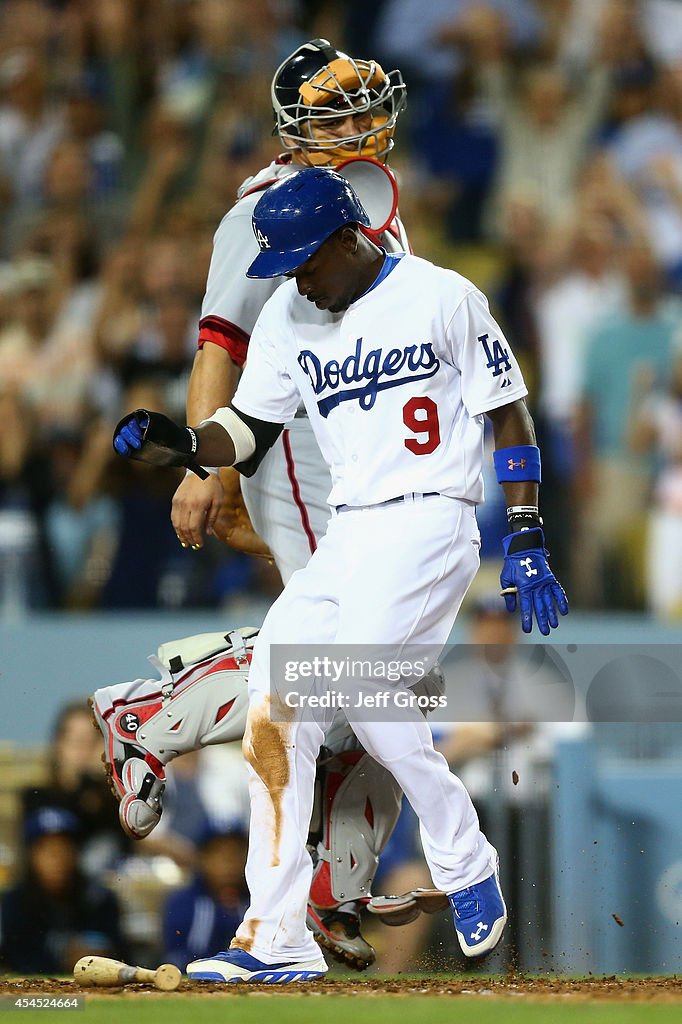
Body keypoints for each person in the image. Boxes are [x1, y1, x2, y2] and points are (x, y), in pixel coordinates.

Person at [112, 165, 569, 983]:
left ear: (351, 238)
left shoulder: (442, 294)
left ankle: (463, 861)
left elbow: (508, 410)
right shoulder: (291, 311)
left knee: (359, 684)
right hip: (351, 532)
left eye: (306, 261)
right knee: (274, 714)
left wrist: (528, 531)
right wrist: (185, 446)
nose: (296, 279)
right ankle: (276, 935)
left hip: (432, 516)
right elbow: (248, 429)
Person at [92, 37, 417, 971]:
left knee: (371, 675)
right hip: (299, 454)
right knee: (337, 660)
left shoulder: (373, 203)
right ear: (296, 132)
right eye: (338, 115)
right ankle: (147, 720)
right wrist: (208, 470)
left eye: (365, 106)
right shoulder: (263, 209)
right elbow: (218, 341)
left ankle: (328, 886)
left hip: (359, 464)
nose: (362, 125)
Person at [0, 807, 126, 974]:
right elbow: (16, 960)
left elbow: (123, 953)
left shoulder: (99, 899)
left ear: (76, 852)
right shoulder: (15, 902)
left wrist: (102, 955)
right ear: (31, 856)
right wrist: (64, 960)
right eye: (47, 849)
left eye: (64, 847)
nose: (57, 857)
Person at [162, 825, 248, 971]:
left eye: (237, 853)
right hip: (195, 979)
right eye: (219, 853)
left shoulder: (259, 900)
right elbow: (176, 955)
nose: (229, 861)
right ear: (203, 858)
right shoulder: (183, 902)